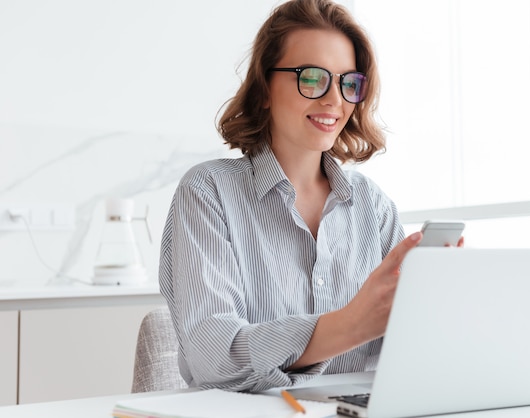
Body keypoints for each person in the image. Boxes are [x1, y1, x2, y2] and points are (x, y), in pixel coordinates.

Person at [159, 0, 455, 393]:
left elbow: (402, 349)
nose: (334, 99)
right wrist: (349, 325)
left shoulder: (374, 206)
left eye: (348, 82)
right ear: (264, 89)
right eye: (312, 78)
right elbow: (214, 358)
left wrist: (439, 308)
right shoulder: (208, 192)